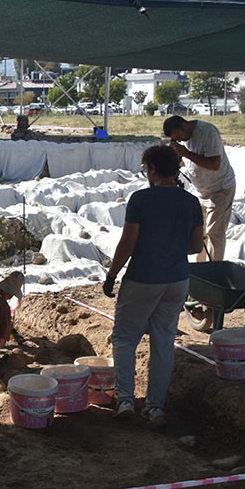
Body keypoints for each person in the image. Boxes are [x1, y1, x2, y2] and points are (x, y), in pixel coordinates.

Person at [103, 145, 205, 427]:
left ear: (153, 169)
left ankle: (125, 400)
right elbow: (196, 245)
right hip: (177, 280)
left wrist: (112, 275)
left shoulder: (141, 199)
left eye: (146, 169)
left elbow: (128, 243)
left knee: (125, 338)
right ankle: (155, 407)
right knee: (163, 342)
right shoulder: (191, 202)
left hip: (142, 278)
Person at [162, 115, 236, 262]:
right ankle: (201, 267)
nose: (181, 141)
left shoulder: (208, 132)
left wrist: (185, 153)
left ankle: (215, 271)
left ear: (185, 126)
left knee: (215, 233)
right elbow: (188, 161)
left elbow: (215, 164)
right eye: (177, 140)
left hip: (220, 189)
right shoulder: (185, 138)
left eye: (180, 137)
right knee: (197, 231)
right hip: (201, 191)